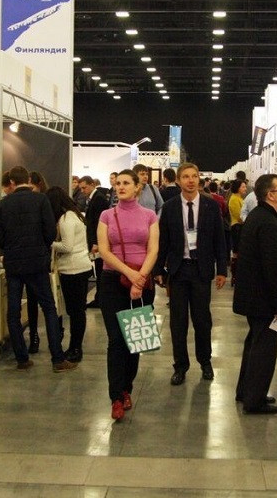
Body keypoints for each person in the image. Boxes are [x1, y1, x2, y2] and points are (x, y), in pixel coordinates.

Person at [0, 166, 76, 373]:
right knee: (48, 308)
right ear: (28, 180)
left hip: (13, 264)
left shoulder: (3, 204)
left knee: (13, 311)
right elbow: (50, 232)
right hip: (37, 263)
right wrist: (41, 247)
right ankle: (57, 359)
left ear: (12, 182)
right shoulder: (41, 200)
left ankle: (22, 358)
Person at [155, 162, 227, 386]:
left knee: (202, 320)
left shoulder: (210, 205)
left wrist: (222, 269)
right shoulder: (169, 207)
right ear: (178, 181)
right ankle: (180, 366)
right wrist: (158, 269)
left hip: (201, 270)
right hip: (178, 270)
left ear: (199, 179)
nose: (190, 180)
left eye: (194, 176)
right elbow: (163, 240)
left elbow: (220, 239)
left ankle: (205, 362)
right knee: (178, 322)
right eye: (185, 176)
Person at [97, 169, 159, 420]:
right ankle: (115, 397)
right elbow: (104, 251)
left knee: (136, 339)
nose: (120, 186)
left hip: (142, 281)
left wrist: (140, 278)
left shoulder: (150, 215)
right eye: (118, 183)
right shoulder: (106, 215)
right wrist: (130, 274)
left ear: (137, 187)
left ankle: (126, 389)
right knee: (116, 339)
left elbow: (153, 250)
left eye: (126, 183)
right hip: (112, 281)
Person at [234, 174, 277, 413]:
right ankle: (254, 400)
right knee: (264, 350)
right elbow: (272, 267)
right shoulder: (267, 222)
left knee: (254, 345)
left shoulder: (259, 216)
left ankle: (246, 391)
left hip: (253, 296)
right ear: (270, 195)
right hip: (262, 298)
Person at [46, 187, 93, 363]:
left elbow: (67, 246)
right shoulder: (75, 215)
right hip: (79, 266)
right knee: (77, 311)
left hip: (72, 269)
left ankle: (75, 348)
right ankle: (75, 347)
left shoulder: (66, 219)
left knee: (75, 312)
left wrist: (49, 243)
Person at [24, 171, 50, 353]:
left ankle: (47, 337)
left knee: (46, 302)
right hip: (35, 257)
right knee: (34, 300)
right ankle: (34, 336)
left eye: (31, 187)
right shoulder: (36, 201)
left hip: (41, 258)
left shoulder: (43, 201)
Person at [80, 175, 109, 309]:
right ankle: (100, 298)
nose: (82, 191)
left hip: (98, 243)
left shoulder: (99, 199)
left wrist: (96, 243)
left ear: (92, 184)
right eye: (81, 188)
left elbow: (98, 223)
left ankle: (100, 299)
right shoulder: (94, 198)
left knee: (100, 270)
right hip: (95, 241)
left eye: (84, 187)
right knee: (98, 271)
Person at [228, 179, 247, 286]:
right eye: (243, 187)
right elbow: (239, 216)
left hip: (239, 227)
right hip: (237, 228)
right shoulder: (234, 199)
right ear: (237, 188)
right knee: (236, 252)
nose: (245, 189)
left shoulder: (239, 198)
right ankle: (235, 276)